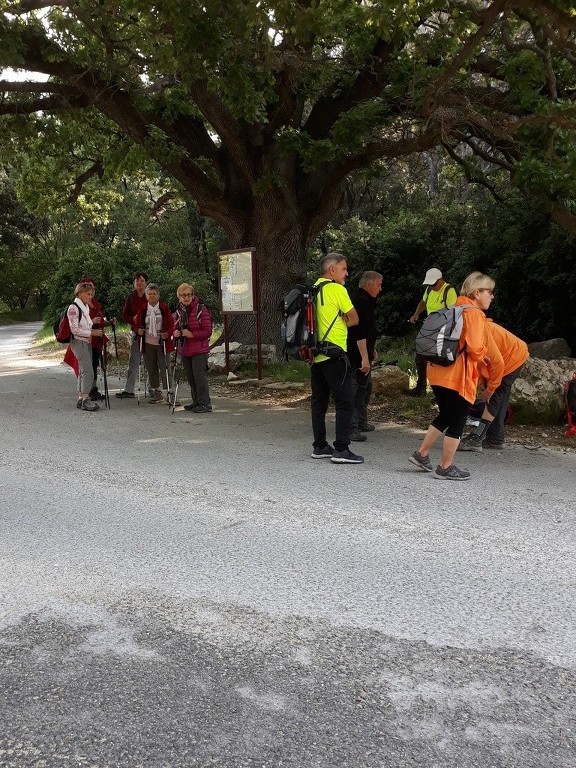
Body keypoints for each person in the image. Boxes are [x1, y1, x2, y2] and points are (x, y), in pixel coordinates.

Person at [408, 271, 498, 480]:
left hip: (437, 371)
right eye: (489, 292)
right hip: (457, 377)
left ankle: (421, 454)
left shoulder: (454, 307)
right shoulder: (474, 314)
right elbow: (475, 348)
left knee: (446, 415)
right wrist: (484, 355)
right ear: (477, 293)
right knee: (457, 421)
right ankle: (445, 467)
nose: (492, 296)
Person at [310, 252, 362, 464]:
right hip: (335, 354)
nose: (346, 273)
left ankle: (320, 446)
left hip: (316, 355)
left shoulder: (313, 289)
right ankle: (341, 449)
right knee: (345, 402)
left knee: (318, 403)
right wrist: (344, 321)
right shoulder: (337, 289)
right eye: (343, 269)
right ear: (332, 270)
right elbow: (354, 318)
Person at [458, 320, 528, 451]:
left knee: (495, 395)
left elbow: (498, 364)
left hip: (513, 357)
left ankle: (477, 438)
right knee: (498, 399)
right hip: (507, 356)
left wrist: (490, 390)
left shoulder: (477, 332)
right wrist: (482, 383)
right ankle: (495, 439)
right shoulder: (469, 332)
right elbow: (478, 360)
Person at [408, 267, 458, 396]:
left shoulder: (449, 290)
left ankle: (442, 392)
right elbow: (423, 302)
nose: (431, 286)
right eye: (429, 284)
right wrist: (416, 315)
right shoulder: (429, 289)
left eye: (434, 284)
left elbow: (452, 313)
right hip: (429, 329)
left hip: (443, 332)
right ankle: (421, 388)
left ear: (441, 280)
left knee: (441, 360)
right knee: (421, 356)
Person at [347, 271, 383, 442]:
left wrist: (371, 349)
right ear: (369, 284)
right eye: (378, 284)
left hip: (364, 351)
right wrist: (364, 357)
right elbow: (359, 331)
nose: (380, 288)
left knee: (364, 389)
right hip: (356, 355)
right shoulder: (360, 301)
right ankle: (351, 427)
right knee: (355, 390)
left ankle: (361, 422)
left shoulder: (366, 300)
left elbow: (369, 329)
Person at [173, 283, 213, 413]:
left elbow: (208, 331)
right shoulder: (179, 311)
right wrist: (176, 333)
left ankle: (205, 403)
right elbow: (174, 326)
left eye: (189, 294)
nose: (186, 297)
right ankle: (196, 401)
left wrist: (191, 334)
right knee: (191, 377)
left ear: (193, 295)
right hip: (185, 348)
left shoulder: (201, 309)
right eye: (183, 295)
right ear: (179, 297)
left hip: (199, 349)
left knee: (199, 377)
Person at [66, 282, 104, 411]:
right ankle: (86, 399)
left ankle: (81, 398)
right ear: (79, 293)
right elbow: (74, 330)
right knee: (88, 371)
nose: (90, 297)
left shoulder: (85, 307)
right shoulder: (73, 308)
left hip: (86, 341)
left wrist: (92, 323)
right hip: (78, 342)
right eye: (88, 294)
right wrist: (92, 332)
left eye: (91, 294)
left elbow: (83, 325)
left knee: (83, 370)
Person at [78, 276, 116, 402]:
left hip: (96, 339)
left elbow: (100, 320)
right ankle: (87, 392)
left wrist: (109, 323)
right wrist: (92, 322)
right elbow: (78, 325)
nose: (90, 290)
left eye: (91, 287)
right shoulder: (79, 306)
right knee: (89, 367)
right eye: (87, 286)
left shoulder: (94, 303)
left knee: (94, 364)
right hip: (87, 339)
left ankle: (92, 389)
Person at [136, 283, 174, 404]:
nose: (151, 296)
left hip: (162, 343)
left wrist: (167, 334)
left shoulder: (164, 308)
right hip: (147, 343)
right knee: (151, 368)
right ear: (146, 295)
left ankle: (170, 393)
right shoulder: (143, 309)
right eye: (149, 293)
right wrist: (138, 330)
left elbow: (172, 325)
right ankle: (157, 393)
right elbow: (136, 324)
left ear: (158, 296)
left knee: (165, 368)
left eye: (154, 294)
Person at [116, 272, 150, 399]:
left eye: (141, 281)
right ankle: (129, 390)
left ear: (145, 283)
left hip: (150, 332)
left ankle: (152, 389)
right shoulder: (130, 297)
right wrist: (134, 320)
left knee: (150, 361)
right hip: (136, 332)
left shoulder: (150, 295)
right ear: (134, 283)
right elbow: (125, 315)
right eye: (137, 281)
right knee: (133, 361)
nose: (139, 283)